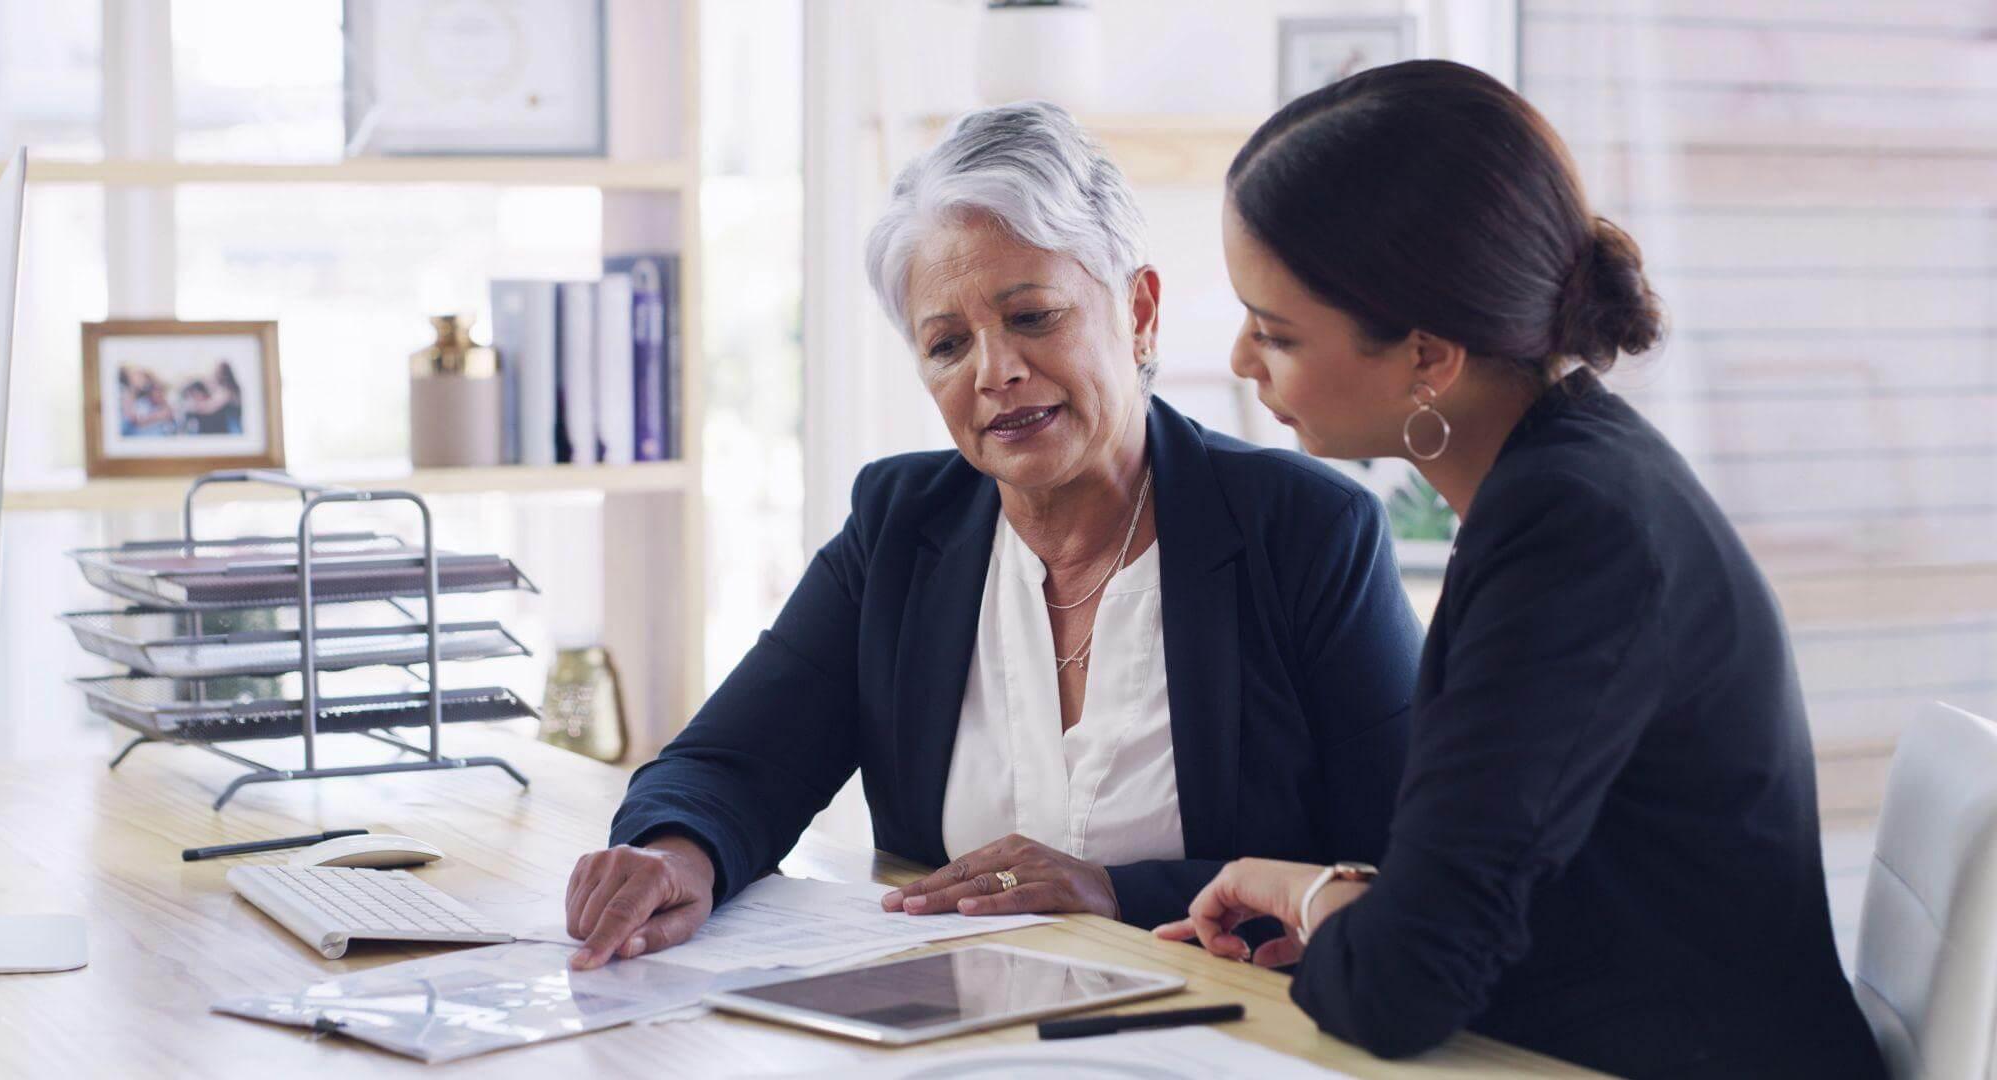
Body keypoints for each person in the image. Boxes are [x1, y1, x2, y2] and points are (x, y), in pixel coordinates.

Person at [561, 102, 1422, 971]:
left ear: (1139, 310)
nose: (994, 371)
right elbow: (729, 763)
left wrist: (1118, 890)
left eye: (1033, 317)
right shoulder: (900, 522)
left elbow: (1398, 875)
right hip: (955, 1036)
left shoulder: (1307, 531)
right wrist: (674, 856)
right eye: (946, 344)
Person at [1154, 61, 1886, 1079]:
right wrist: (1345, 898)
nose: (1240, 359)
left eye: (1273, 332)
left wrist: (1322, 904)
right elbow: (1493, 881)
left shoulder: (1568, 529)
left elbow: (1400, 988)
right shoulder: (1573, 476)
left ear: (1426, 359)